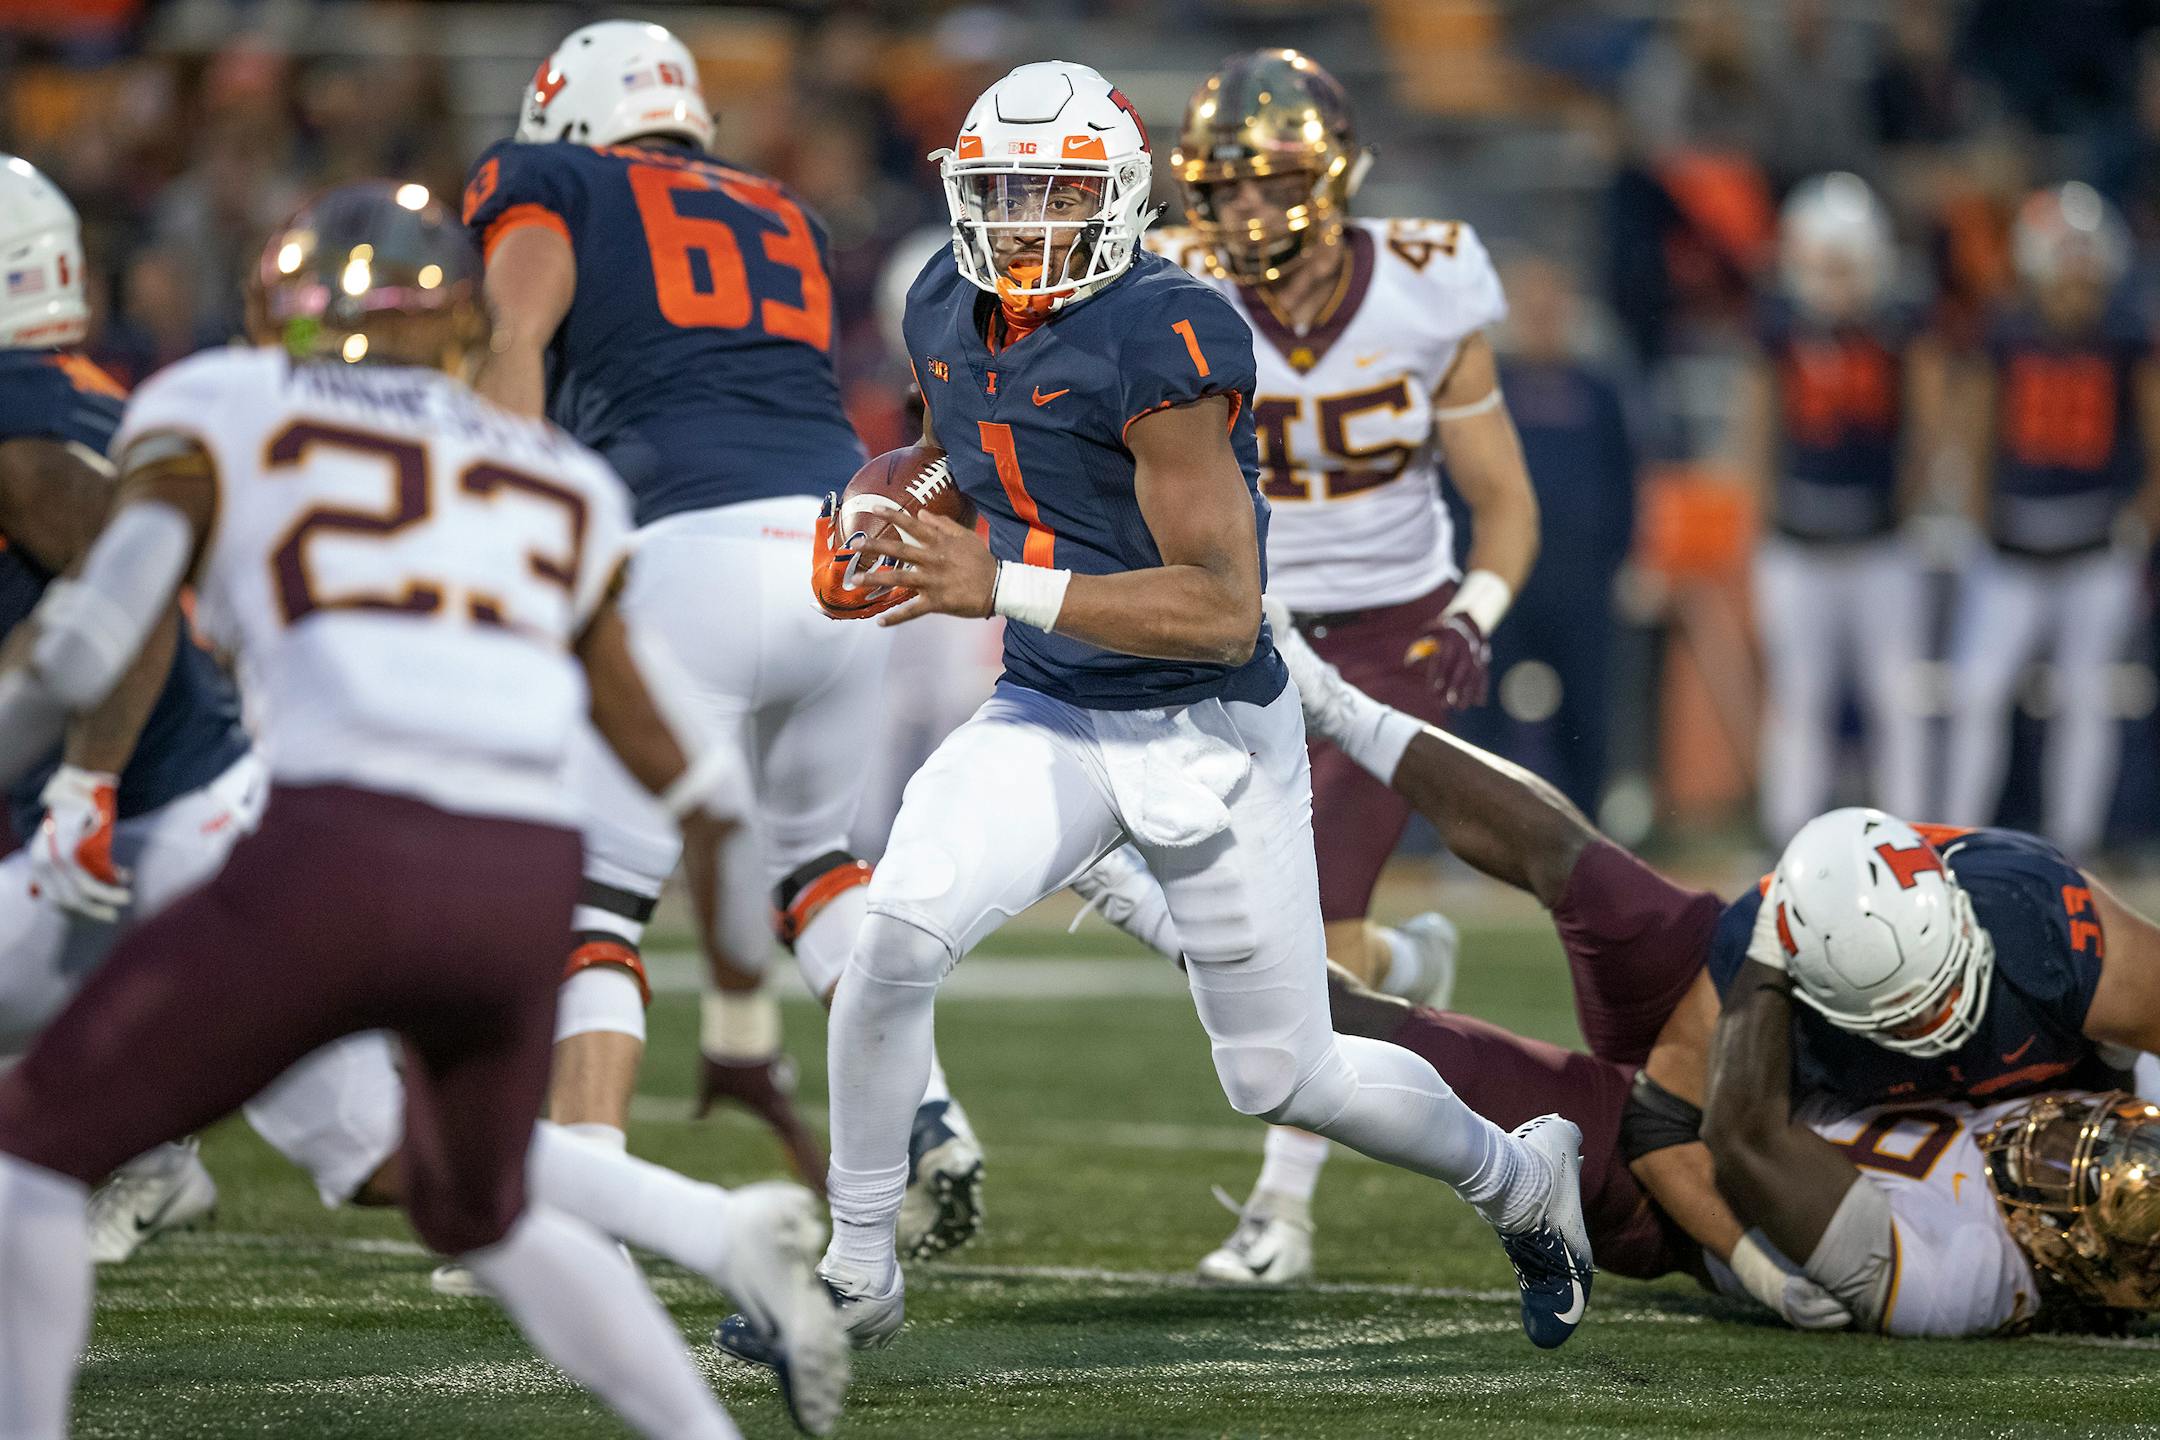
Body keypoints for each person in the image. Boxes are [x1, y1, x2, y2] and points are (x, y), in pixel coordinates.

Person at [720, 60, 1596, 1369]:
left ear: (1120, 201)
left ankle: (1521, 1178)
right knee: (896, 934)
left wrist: (992, 577)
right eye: (1000, 191)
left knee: (1290, 1079)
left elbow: (1223, 612)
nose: (1019, 222)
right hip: (1052, 713)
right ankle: (856, 1272)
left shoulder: (1168, 334)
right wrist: (888, 511)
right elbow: (966, 446)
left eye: (1053, 194)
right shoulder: (940, 299)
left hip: (1210, 735)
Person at [0, 181, 846, 1440]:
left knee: (31, 1158)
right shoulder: (551, 471)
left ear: (272, 312)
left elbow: (83, 650)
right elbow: (710, 799)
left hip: (330, 855)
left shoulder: (220, 402)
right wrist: (738, 1030)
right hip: (517, 889)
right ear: (458, 324)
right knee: (477, 1206)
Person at [1086, 604, 2160, 1332]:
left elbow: (1674, 1152)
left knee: (1369, 1038)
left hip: (1686, 1186)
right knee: (1585, 868)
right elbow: (1688, 1116)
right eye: (2086, 1133)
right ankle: (1335, 703)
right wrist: (1769, 979)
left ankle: (1150, 903)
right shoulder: (1777, 959)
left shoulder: (1970, 1272)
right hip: (1724, 1076)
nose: (2060, 1140)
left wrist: (1744, 1264)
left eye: (2069, 1163)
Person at [459, 19, 982, 1261]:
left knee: (600, 894)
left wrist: (486, 534)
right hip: (831, 555)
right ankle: (930, 1116)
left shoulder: (551, 179)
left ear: (569, 115)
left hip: (676, 554)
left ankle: (582, 1196)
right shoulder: (779, 208)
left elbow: (517, 346)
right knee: (814, 868)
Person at [1138, 46, 1542, 1284]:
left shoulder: (1428, 280)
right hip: (1238, 625)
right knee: (1199, 907)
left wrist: (1472, 610)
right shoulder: (1173, 283)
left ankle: (1283, 1207)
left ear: (1333, 178)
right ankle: (1409, 972)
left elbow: (1504, 500)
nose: (1244, 211)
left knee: (1313, 914)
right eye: (1224, 185)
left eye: (1271, 183)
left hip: (1390, 631)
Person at [0, 153, 257, 1262]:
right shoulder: (93, 391)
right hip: (187, 785)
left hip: (157, 804)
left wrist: (83, 788)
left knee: (385, 1145)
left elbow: (131, 597)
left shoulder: (17, 411)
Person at [1943, 182, 2160, 858]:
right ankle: (1956, 840)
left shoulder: (2126, 335)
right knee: (1979, 693)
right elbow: (1976, 425)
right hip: (2013, 544)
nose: (2074, 278)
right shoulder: (2006, 332)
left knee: (2086, 700)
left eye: (2083, 261)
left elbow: (2154, 430)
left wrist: (2144, 512)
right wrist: (1974, 509)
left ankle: (2075, 847)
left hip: (2095, 541)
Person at [1738, 173, 1944, 844]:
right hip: (1799, 541)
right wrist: (1763, 516)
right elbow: (1758, 426)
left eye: (1846, 262)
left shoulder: (1897, 329)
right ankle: (1789, 832)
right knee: (1800, 698)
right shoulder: (1780, 329)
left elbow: (1925, 424)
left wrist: (1906, 507)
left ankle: (1909, 835)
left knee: (1897, 697)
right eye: (1825, 261)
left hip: (1880, 542)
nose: (1835, 278)